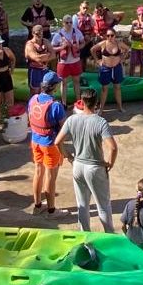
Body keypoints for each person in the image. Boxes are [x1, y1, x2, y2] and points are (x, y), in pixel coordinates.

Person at [56, 88, 117, 233]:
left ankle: (85, 239)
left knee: (82, 205)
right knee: (103, 206)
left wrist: (68, 157)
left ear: (82, 102)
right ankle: (109, 237)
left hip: (78, 165)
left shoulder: (72, 120)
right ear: (96, 103)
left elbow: (57, 141)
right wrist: (110, 163)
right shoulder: (100, 122)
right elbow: (113, 148)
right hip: (95, 167)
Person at [28, 72, 68, 217]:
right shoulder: (56, 106)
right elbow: (64, 129)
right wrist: (63, 150)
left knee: (38, 171)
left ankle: (37, 205)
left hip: (35, 141)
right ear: (54, 87)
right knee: (51, 176)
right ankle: (51, 210)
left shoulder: (33, 99)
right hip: (50, 144)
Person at [90, 27, 126, 114]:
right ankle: (101, 109)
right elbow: (92, 50)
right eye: (108, 35)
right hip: (106, 68)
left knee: (117, 87)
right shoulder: (103, 44)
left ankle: (120, 107)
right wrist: (97, 61)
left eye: (112, 35)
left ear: (115, 35)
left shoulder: (119, 44)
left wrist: (122, 58)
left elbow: (127, 49)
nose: (110, 37)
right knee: (104, 89)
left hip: (116, 68)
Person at [51, 15, 85, 105]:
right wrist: (61, 47)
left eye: (70, 22)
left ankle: (78, 101)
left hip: (75, 61)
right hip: (63, 63)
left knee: (76, 82)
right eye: (67, 22)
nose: (69, 24)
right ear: (63, 23)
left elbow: (83, 43)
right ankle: (64, 103)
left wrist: (79, 47)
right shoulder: (58, 35)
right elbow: (52, 48)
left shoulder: (77, 32)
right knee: (64, 83)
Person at [24, 25, 55, 97]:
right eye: (37, 34)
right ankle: (32, 106)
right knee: (35, 92)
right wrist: (47, 55)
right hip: (34, 71)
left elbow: (53, 55)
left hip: (44, 69)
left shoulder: (45, 41)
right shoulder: (30, 45)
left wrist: (42, 57)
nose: (40, 35)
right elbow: (37, 58)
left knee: (46, 90)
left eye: (41, 33)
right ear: (33, 33)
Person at [74, 1, 97, 70]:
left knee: (86, 58)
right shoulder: (75, 17)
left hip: (89, 40)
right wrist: (83, 39)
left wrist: (90, 37)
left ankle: (85, 72)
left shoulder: (89, 17)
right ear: (80, 7)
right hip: (80, 42)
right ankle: (80, 74)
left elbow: (94, 28)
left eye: (87, 8)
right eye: (84, 8)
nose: (85, 9)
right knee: (80, 59)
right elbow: (74, 31)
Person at [128, 6, 143, 78]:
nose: (141, 16)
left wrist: (137, 32)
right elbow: (131, 32)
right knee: (132, 64)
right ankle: (131, 77)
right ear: (137, 15)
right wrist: (141, 32)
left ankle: (141, 77)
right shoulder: (135, 23)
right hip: (134, 46)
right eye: (139, 14)